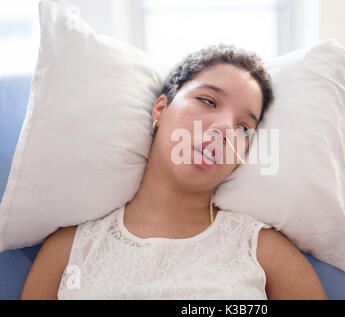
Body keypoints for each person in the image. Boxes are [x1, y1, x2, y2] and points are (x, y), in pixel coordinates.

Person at [21, 44, 328, 300]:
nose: (224, 129)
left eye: (243, 128)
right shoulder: (69, 250)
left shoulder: (264, 254)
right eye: (208, 101)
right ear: (161, 109)